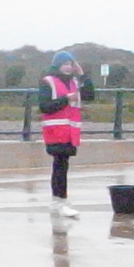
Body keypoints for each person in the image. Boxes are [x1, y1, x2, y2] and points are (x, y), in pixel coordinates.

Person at [38, 51, 93, 217]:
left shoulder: (76, 82)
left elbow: (90, 95)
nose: (68, 67)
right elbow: (44, 106)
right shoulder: (48, 82)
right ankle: (60, 201)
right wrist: (66, 99)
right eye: (65, 64)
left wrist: (83, 75)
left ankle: (58, 200)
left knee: (62, 165)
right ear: (57, 65)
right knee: (60, 165)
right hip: (55, 131)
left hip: (70, 131)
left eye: (70, 64)